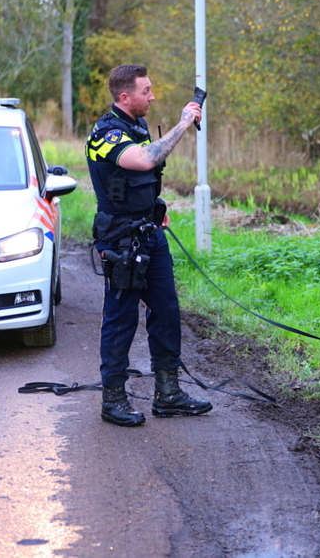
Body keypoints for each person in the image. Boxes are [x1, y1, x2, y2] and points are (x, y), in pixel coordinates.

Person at [85, 64, 211, 427]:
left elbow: (139, 181)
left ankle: (168, 394)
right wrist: (184, 121)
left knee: (167, 312)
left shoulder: (136, 125)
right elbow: (143, 160)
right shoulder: (105, 133)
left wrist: (157, 210)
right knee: (121, 318)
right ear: (125, 97)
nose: (152, 96)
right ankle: (113, 400)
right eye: (146, 91)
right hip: (121, 242)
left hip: (150, 234)